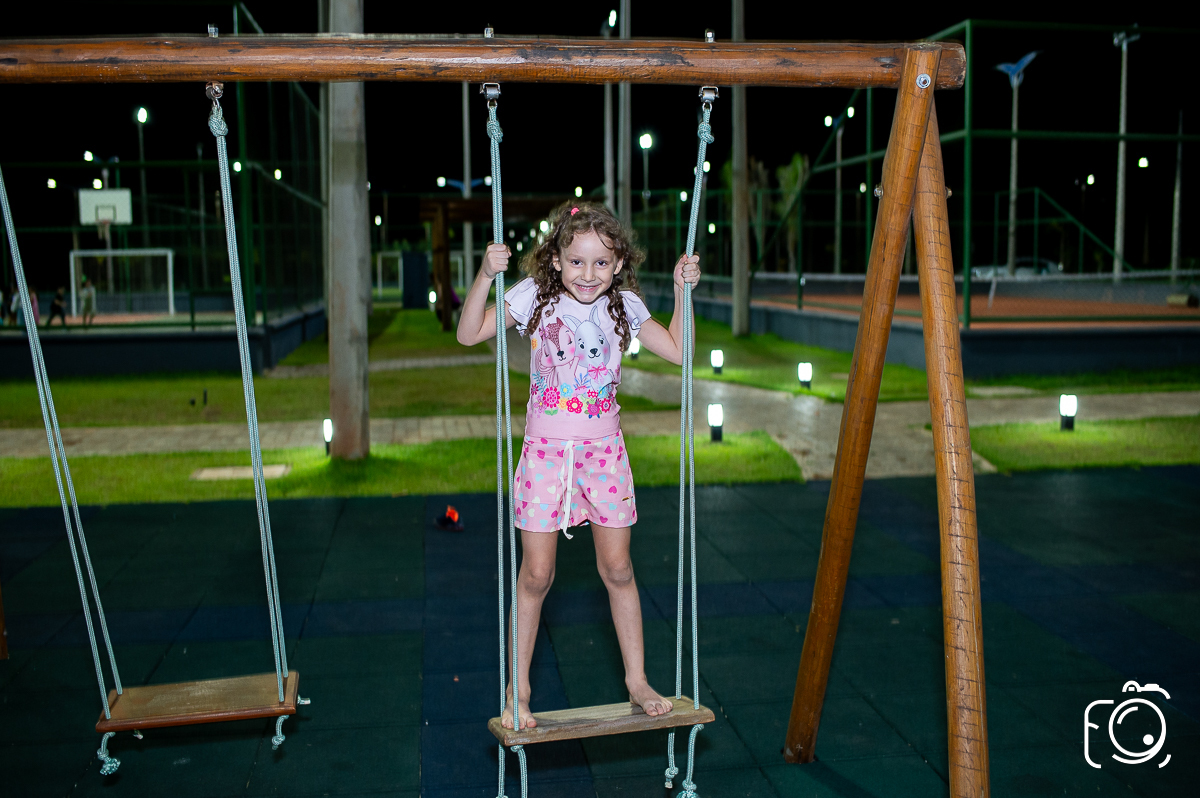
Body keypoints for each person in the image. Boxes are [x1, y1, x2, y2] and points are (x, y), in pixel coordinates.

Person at [456, 201, 701, 729]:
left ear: (618, 266)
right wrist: (483, 275)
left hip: (604, 454)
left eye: (601, 264)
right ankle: (517, 690)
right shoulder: (535, 299)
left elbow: (680, 351)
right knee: (537, 575)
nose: (588, 275)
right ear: (557, 260)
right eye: (577, 262)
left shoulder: (624, 306)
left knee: (618, 569)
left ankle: (636, 679)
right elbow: (469, 332)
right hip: (546, 454)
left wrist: (683, 292)